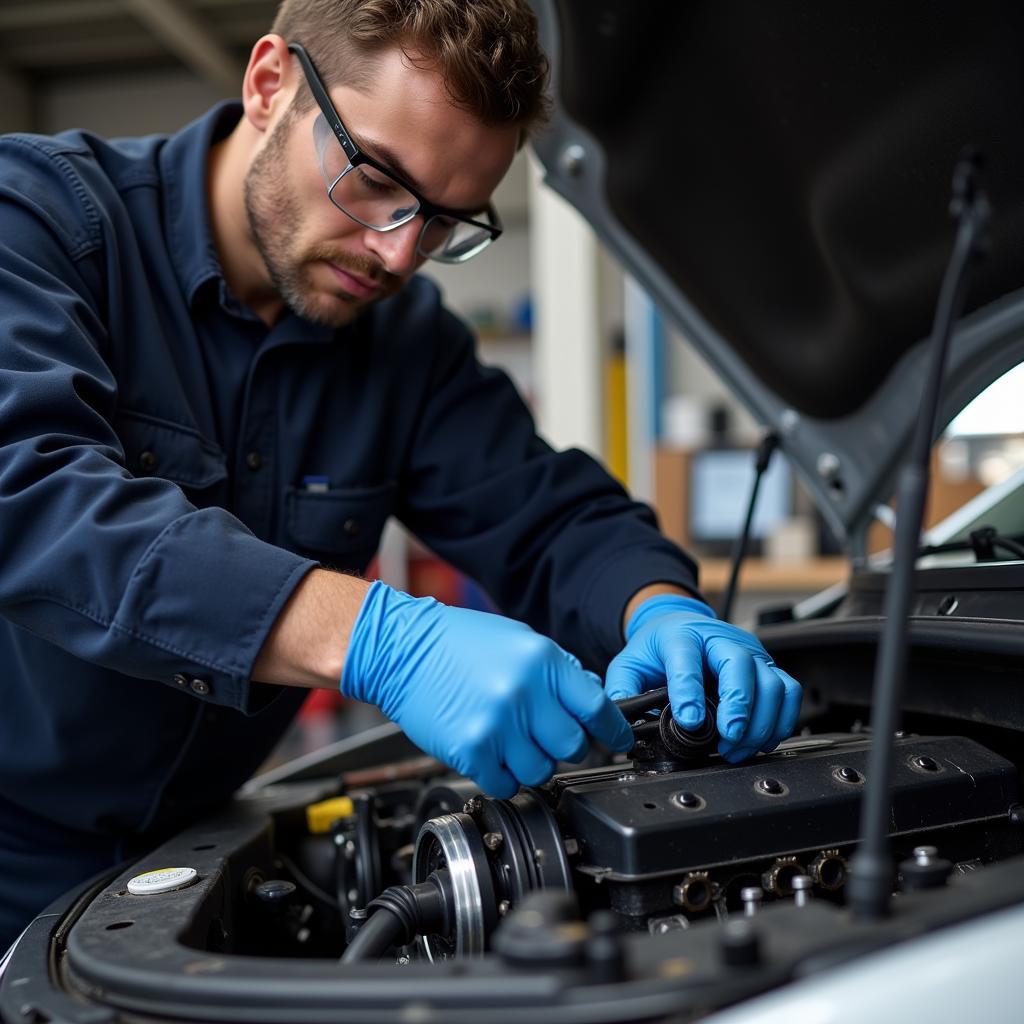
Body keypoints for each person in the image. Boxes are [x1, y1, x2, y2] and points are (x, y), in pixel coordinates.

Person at [0, 0, 801, 950]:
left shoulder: (404, 347)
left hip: (190, 857)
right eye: (377, 179)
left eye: (445, 223)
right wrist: (379, 636)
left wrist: (661, 609)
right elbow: (30, 493)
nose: (397, 253)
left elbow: (550, 517)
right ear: (269, 85)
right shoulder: (40, 220)